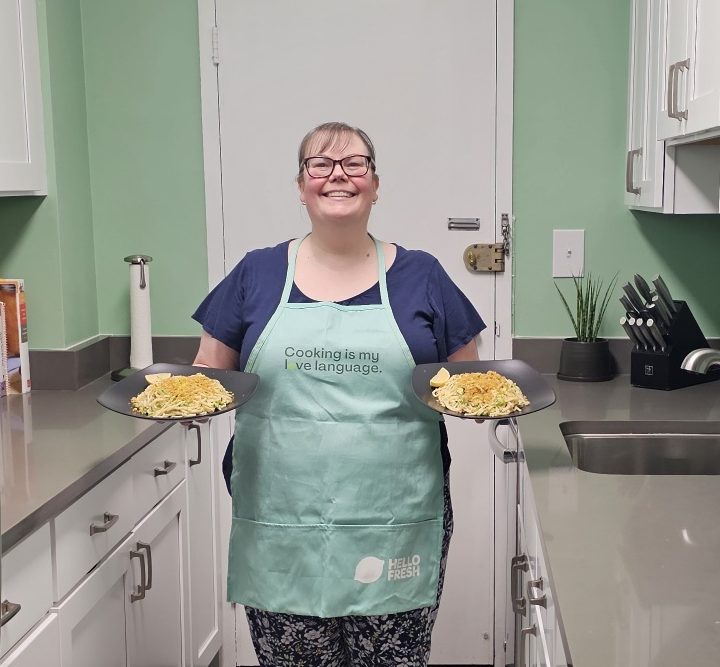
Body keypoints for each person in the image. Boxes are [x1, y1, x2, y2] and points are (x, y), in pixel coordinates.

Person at [192, 122, 485, 666]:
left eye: (355, 163)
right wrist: (181, 406)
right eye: (319, 165)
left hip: (395, 521)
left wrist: (485, 405)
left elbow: (467, 385)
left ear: (376, 183)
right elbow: (208, 376)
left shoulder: (423, 276)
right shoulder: (256, 273)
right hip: (283, 521)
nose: (338, 176)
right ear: (300, 185)